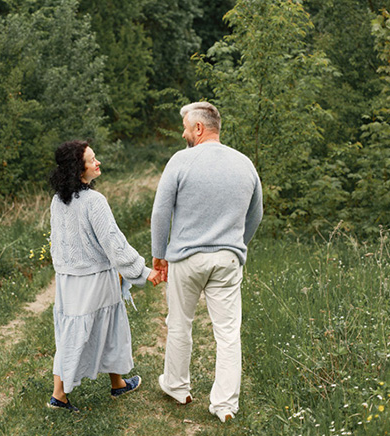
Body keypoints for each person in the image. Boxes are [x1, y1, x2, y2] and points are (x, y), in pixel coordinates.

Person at [151, 102, 263, 423]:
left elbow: (161, 211)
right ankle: (224, 405)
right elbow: (257, 213)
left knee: (180, 323)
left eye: (186, 127)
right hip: (227, 258)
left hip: (186, 258)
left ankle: (177, 386)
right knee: (228, 333)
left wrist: (159, 254)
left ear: (199, 128)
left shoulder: (180, 161)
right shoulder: (244, 164)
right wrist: (237, 244)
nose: (184, 133)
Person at [47, 140, 161, 413]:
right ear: (78, 169)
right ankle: (58, 396)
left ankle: (118, 383)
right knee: (81, 332)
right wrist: (141, 272)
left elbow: (58, 243)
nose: (98, 163)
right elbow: (113, 243)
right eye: (92, 160)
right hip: (93, 279)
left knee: (94, 328)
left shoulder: (58, 200)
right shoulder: (94, 202)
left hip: (69, 279)